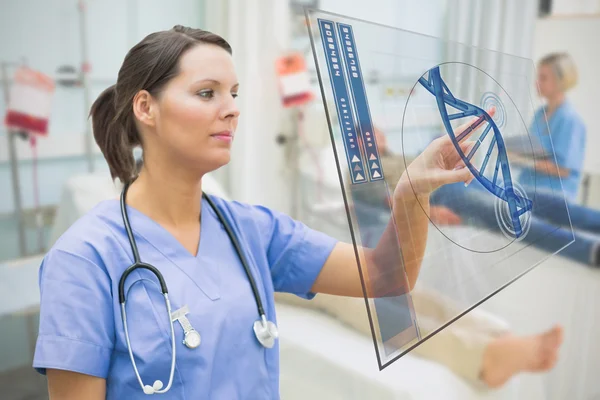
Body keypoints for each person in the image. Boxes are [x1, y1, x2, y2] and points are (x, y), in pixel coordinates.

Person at [32, 26, 479, 399]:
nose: (231, 109)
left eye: (233, 93)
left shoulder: (252, 229)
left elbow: (386, 276)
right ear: (146, 107)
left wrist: (409, 193)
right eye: (207, 93)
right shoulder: (83, 260)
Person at [333, 126, 563, 389]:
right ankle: (482, 354)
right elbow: (386, 199)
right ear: (360, 142)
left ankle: (493, 333)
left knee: (407, 296)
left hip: (440, 188)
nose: (381, 136)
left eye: (380, 132)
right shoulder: (361, 170)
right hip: (434, 195)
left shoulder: (395, 157)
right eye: (372, 134)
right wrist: (428, 208)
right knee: (367, 306)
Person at [431, 52, 600, 266]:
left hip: (555, 190)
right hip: (527, 185)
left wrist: (524, 160)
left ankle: (589, 247)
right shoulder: (541, 114)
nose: (537, 82)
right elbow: (532, 148)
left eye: (544, 77)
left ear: (561, 80)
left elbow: (564, 170)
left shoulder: (570, 120)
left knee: (540, 208)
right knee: (499, 195)